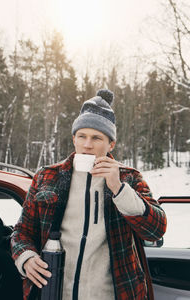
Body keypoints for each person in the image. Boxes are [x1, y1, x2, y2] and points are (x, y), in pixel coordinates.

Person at [11, 89, 167, 300]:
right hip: (54, 293)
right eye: (82, 136)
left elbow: (155, 230)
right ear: (73, 138)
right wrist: (26, 258)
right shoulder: (47, 176)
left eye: (96, 138)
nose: (87, 145)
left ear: (110, 144)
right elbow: (22, 232)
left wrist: (118, 188)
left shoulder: (130, 178)